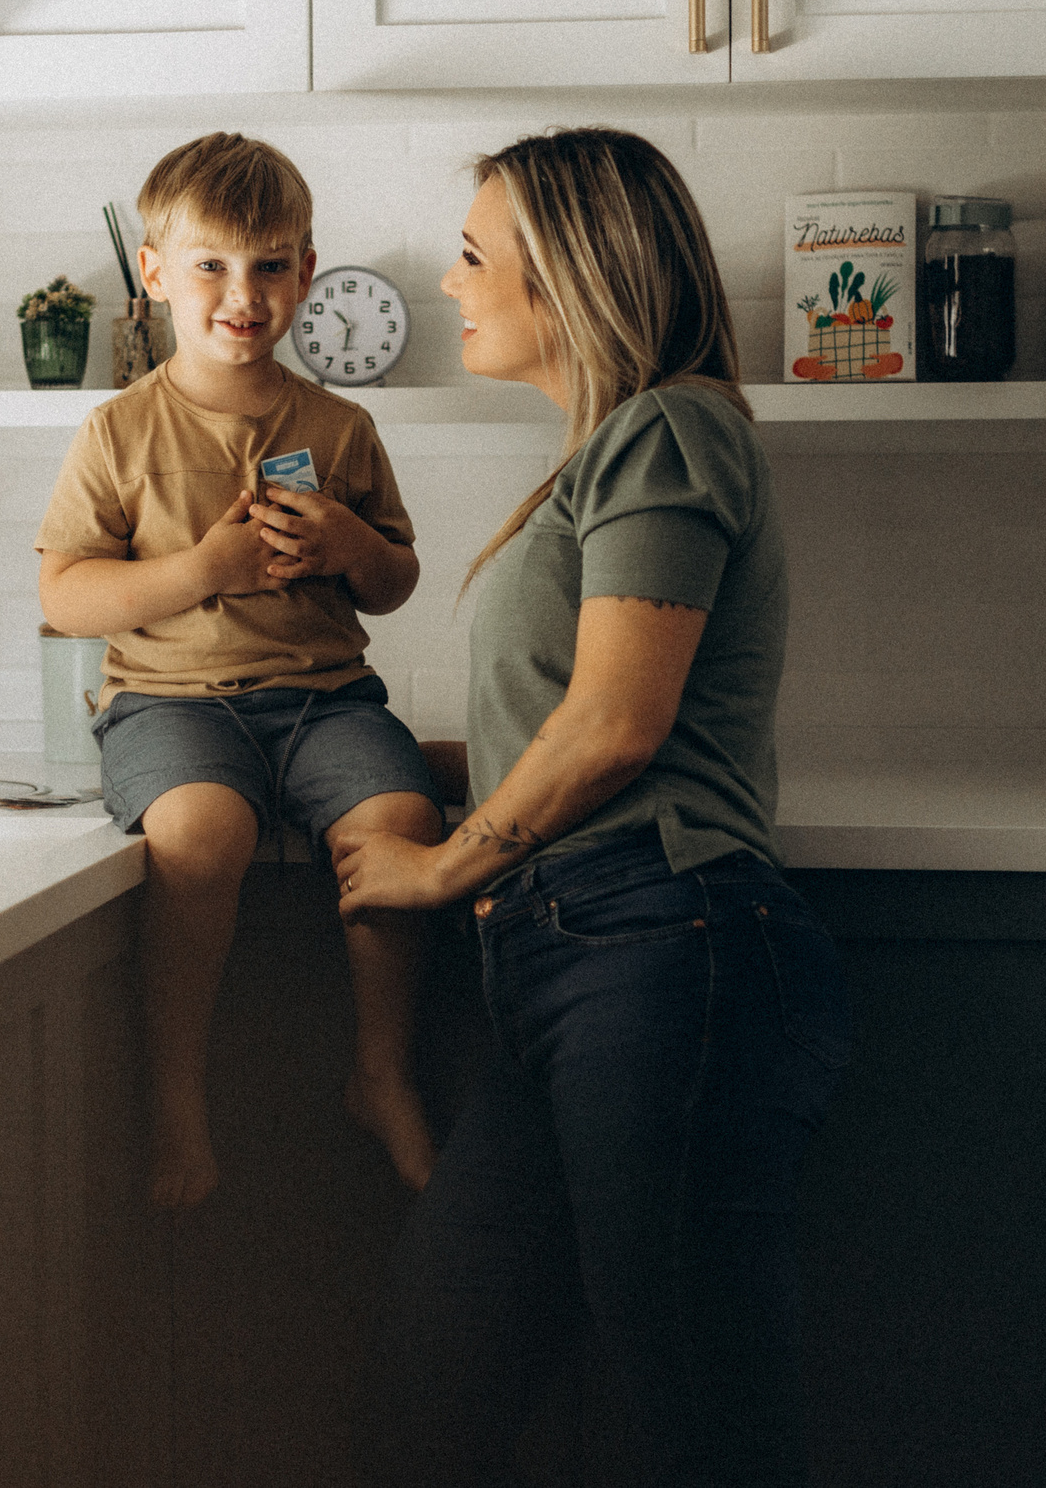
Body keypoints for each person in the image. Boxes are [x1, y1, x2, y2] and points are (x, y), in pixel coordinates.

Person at [334, 128, 853, 1485]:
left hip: (664, 948)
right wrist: (336, 751)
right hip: (575, 966)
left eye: (468, 254)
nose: (449, 284)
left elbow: (619, 721)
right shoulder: (607, 453)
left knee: (697, 1425)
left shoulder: (667, 425)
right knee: (431, 1395)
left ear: (565, 274)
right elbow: (557, 717)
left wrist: (441, 868)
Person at [37, 132, 447, 1210]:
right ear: (156, 272)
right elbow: (66, 595)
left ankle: (381, 1073)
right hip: (170, 704)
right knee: (199, 834)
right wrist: (202, 570)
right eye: (211, 265)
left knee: (400, 816)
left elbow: (395, 577)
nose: (243, 294)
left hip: (324, 701)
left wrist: (347, 550)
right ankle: (176, 1097)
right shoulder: (117, 430)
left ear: (307, 272)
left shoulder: (341, 425)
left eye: (270, 264)